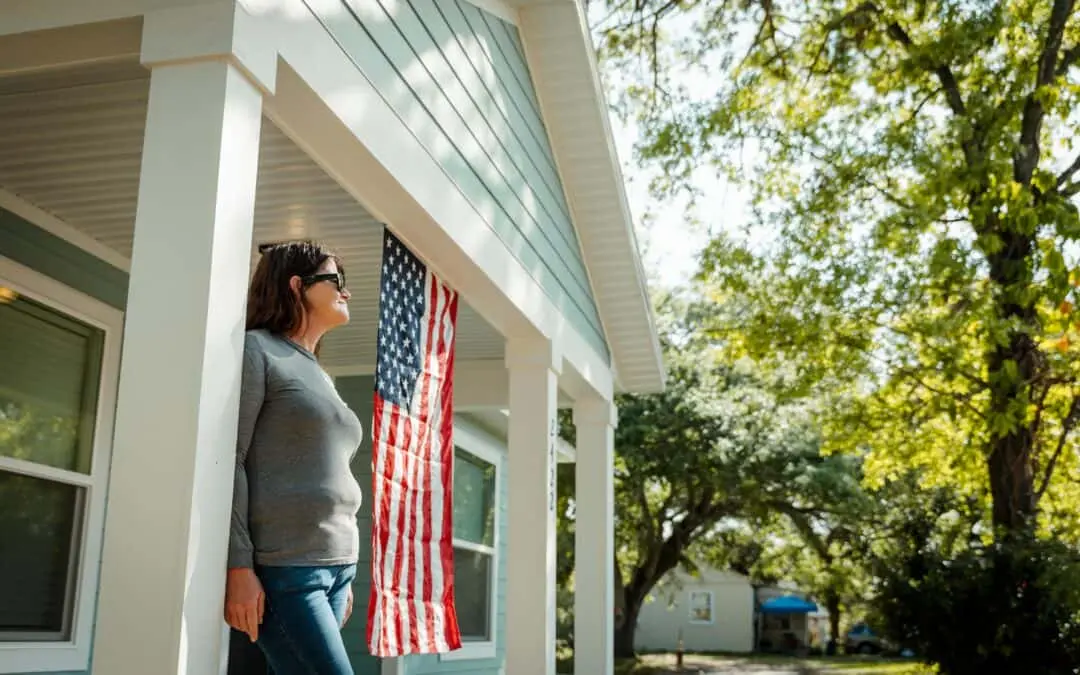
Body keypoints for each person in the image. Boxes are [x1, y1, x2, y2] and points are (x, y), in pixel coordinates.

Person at [224, 241, 363, 675]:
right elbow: (230, 460)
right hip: (287, 569)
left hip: (337, 565)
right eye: (335, 280)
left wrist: (343, 574)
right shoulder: (257, 350)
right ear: (297, 285)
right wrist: (238, 566)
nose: (346, 291)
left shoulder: (318, 372)